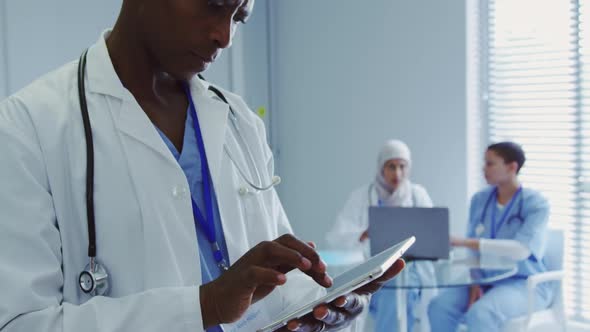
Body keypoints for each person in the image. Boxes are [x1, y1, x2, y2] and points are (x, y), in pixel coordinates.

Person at [0, 1, 405, 331]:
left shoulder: (238, 121)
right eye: (214, 6)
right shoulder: (28, 128)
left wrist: (317, 306)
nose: (225, 36)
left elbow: (271, 287)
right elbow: (20, 323)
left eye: (238, 17)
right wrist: (204, 305)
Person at [428, 142, 554, 332]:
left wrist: (463, 241)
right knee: (438, 307)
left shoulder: (536, 204)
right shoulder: (480, 200)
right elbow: (473, 253)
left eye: (490, 163)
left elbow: (521, 250)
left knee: (481, 314)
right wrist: (474, 282)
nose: (483, 168)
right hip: (485, 279)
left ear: (512, 167)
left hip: (523, 284)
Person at [326, 140, 436, 332]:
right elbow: (336, 237)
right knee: (390, 304)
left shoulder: (418, 195)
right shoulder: (361, 196)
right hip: (374, 274)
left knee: (406, 304)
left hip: (412, 275)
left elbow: (433, 236)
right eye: (391, 166)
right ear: (381, 168)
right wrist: (363, 233)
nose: (397, 173)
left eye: (402, 166)